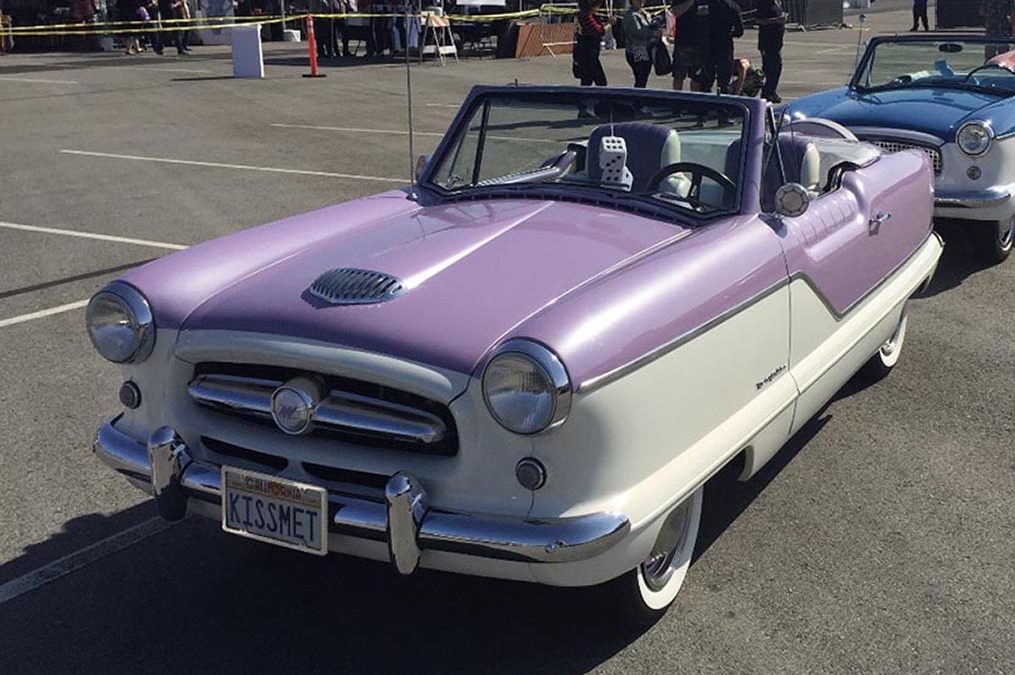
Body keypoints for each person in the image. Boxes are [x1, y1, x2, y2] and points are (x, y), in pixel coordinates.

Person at [573, 0, 614, 106]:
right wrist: (609, 24)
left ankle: (584, 108)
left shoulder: (583, 15)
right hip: (587, 53)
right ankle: (601, 106)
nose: (598, 9)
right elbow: (598, 31)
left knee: (587, 81)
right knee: (600, 82)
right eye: (597, 6)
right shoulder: (585, 16)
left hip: (587, 52)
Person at [698, 0, 743, 94]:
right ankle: (723, 105)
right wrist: (730, 33)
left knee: (705, 82)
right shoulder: (731, 6)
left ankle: (704, 105)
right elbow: (739, 30)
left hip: (707, 46)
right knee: (724, 83)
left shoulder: (704, 4)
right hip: (724, 45)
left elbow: (697, 23)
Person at [624, 0, 662, 88]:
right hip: (637, 50)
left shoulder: (642, 13)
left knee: (643, 77)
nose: (642, 1)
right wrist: (653, 33)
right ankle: (637, 98)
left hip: (646, 48)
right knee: (641, 77)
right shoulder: (631, 15)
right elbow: (638, 31)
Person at [670, 0, 703, 91]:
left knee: (697, 77)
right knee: (679, 75)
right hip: (683, 43)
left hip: (699, 44)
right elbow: (675, 12)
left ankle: (694, 101)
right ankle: (677, 100)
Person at [755, 0, 785, 102]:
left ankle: (771, 91)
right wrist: (776, 20)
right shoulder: (764, 3)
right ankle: (767, 92)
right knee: (771, 67)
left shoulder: (776, 2)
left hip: (776, 42)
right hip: (767, 43)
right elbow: (759, 20)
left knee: (776, 67)